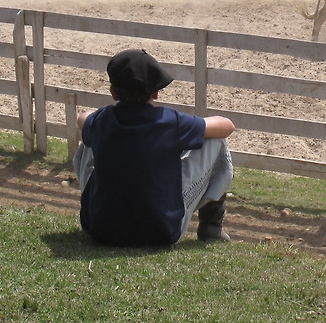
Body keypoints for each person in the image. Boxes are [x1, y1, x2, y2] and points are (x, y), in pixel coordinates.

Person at [75, 49, 235, 247]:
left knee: (89, 139)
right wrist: (195, 127)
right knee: (216, 142)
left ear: (113, 92)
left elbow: (82, 118)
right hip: (160, 233)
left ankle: (101, 205)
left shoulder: (102, 120)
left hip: (101, 230)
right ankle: (211, 227)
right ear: (156, 92)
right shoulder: (170, 121)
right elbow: (227, 126)